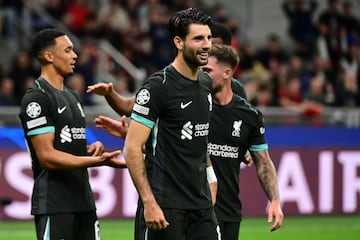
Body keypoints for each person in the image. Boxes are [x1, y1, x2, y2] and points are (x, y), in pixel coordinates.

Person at [18, 28, 125, 240]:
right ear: (49, 56)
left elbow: (64, 147)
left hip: (83, 201)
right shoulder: (37, 99)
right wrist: (91, 161)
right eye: (67, 50)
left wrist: (89, 152)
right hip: (55, 204)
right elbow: (47, 156)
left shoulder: (72, 96)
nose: (74, 55)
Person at [122, 8, 220, 240]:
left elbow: (200, 138)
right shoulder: (158, 87)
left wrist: (211, 178)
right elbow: (132, 148)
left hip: (201, 204)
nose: (206, 45)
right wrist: (149, 203)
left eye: (208, 38)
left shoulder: (206, 83)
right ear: (178, 42)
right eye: (198, 39)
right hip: (165, 204)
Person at [201, 43, 283, 240]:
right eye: (200, 69)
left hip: (229, 211)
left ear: (227, 73)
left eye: (207, 70)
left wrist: (275, 200)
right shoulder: (194, 105)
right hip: (197, 209)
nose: (202, 75)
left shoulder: (249, 116)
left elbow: (263, 162)